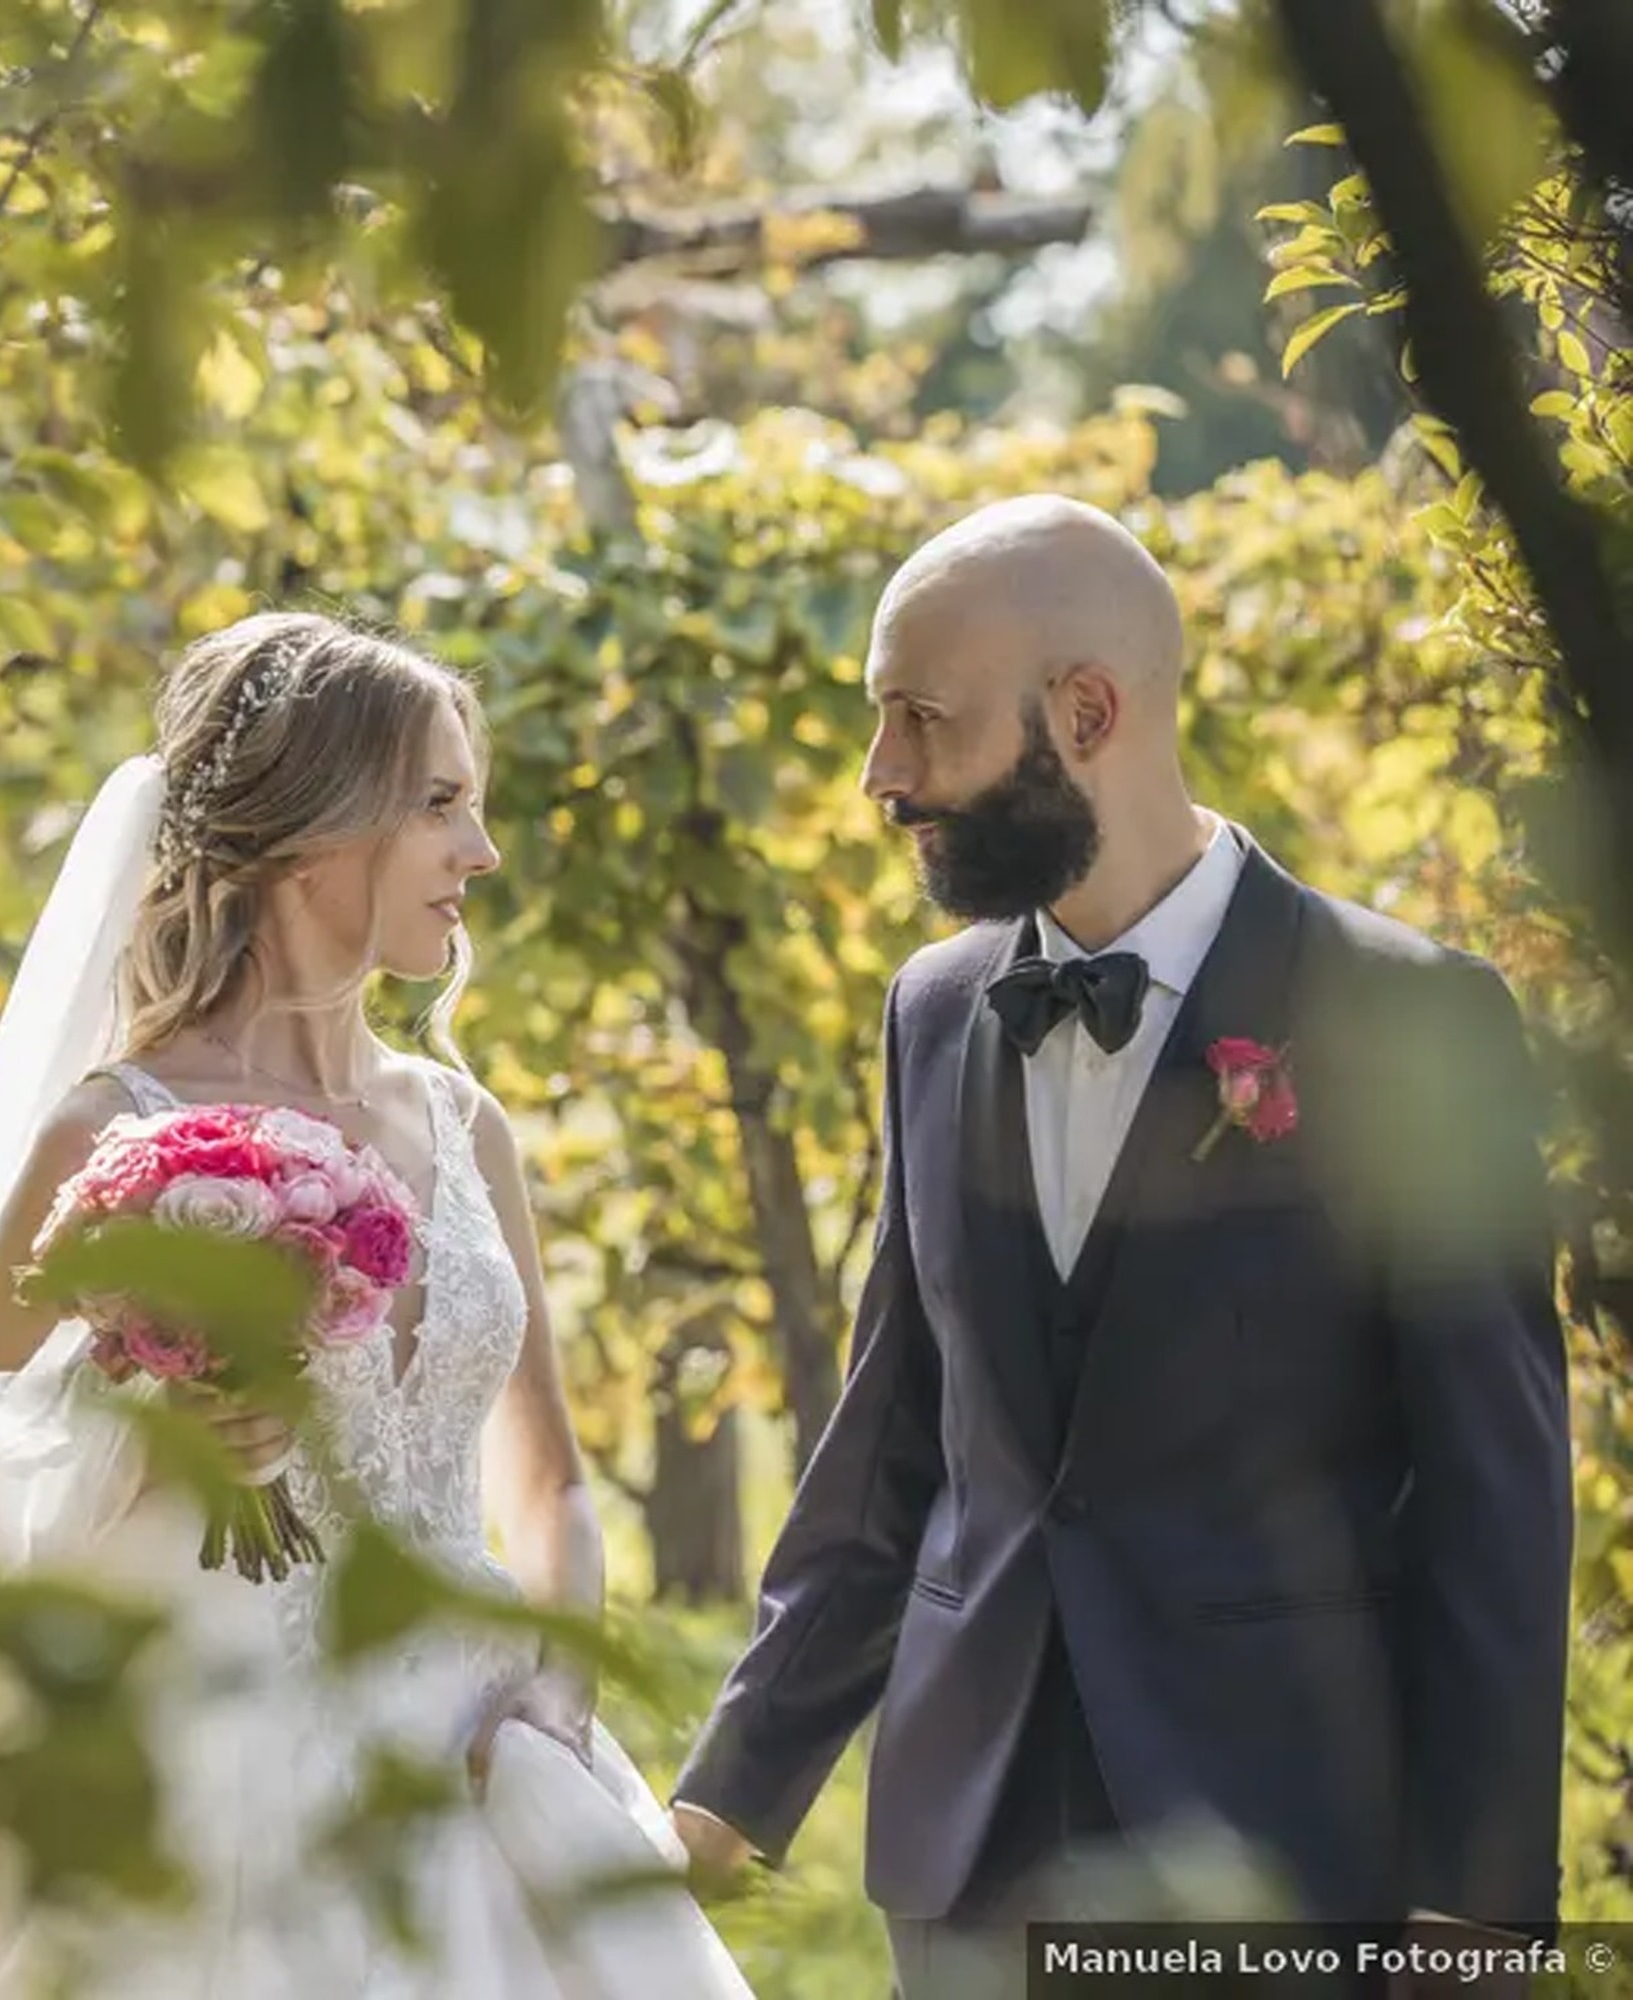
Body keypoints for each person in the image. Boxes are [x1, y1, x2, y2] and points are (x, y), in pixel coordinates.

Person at [0, 611, 755, 1999]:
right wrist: (152, 1439)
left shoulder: (466, 1128)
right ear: (312, 829)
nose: (481, 852)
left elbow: (551, 1480)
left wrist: (553, 1696)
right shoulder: (104, 1136)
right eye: (440, 804)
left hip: (483, 1756)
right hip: (206, 1770)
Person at [667, 496, 1573, 1997]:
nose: (882, 774)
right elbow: (897, 1434)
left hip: (1282, 1860)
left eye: (921, 719)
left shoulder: (1408, 1018)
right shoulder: (934, 1010)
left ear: (1087, 713)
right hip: (967, 1860)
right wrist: (727, 1795)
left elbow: (1496, 1493)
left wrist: (1477, 1916)